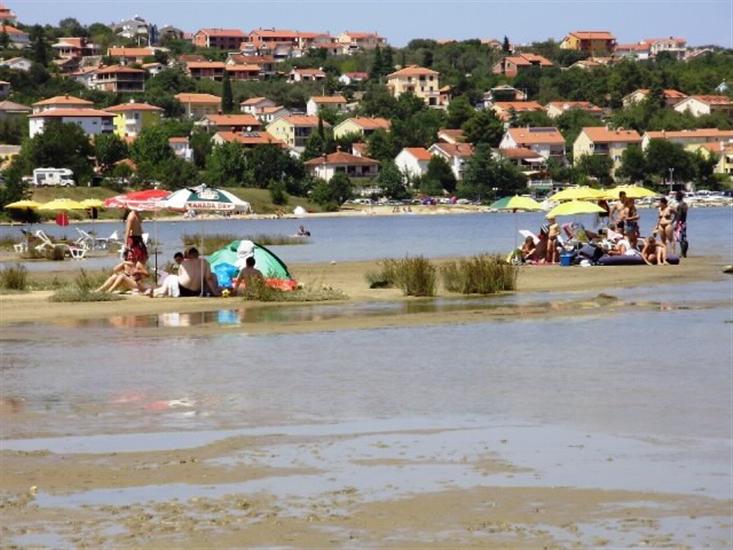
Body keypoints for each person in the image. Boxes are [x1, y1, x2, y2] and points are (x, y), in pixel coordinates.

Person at [673, 191, 689, 257]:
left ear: (678, 197)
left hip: (680, 223)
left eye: (676, 196)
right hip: (684, 223)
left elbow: (678, 215)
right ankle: (684, 253)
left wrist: (676, 224)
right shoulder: (685, 204)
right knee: (684, 238)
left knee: (681, 239)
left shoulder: (680, 205)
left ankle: (682, 253)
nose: (675, 197)